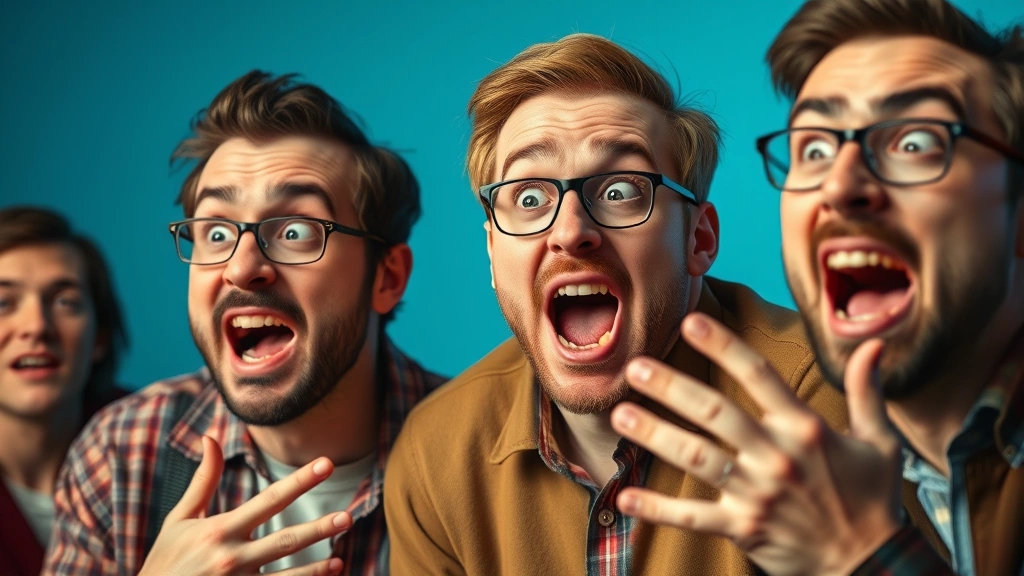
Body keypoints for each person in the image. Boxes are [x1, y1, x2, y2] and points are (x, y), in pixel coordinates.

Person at [384, 33, 847, 575]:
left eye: (621, 190)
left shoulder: (818, 404)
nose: (571, 230)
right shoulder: (434, 452)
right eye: (530, 198)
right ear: (492, 251)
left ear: (698, 240)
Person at [608, 1, 1024, 575]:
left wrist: (862, 555)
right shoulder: (835, 474)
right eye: (816, 149)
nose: (841, 183)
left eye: (913, 142)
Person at [43, 71, 446, 575]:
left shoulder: (476, 456)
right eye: (215, 231)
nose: (241, 266)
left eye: (296, 230)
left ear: (387, 278)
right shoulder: (121, 453)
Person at [0, 206, 128, 576]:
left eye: (64, 302)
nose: (37, 327)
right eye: (3, 303)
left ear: (100, 336)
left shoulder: (158, 439)